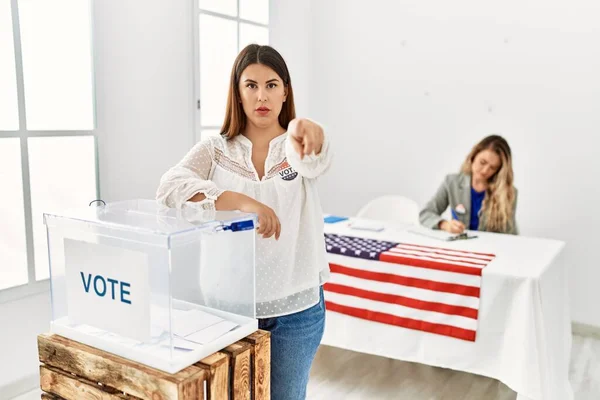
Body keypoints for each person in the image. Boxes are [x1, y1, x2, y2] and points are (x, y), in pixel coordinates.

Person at [156, 44, 332, 399]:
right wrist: (237, 200)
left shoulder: (295, 147)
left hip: (295, 310)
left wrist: (307, 129)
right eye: (250, 85)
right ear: (237, 92)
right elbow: (168, 189)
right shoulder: (215, 150)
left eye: (271, 85)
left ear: (286, 91)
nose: (261, 95)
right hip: (226, 308)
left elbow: (315, 160)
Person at [419, 135, 518, 234]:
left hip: (489, 247)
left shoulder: (508, 192)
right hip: (459, 244)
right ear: (473, 156)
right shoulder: (451, 182)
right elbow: (425, 213)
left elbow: (509, 234)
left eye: (493, 168)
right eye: (482, 162)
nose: (485, 171)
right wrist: (444, 225)